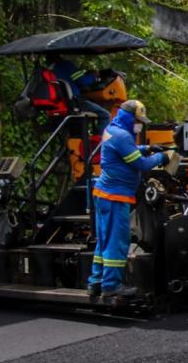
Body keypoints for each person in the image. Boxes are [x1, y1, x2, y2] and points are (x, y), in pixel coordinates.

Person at [88, 100, 176, 300]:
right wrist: (161, 158)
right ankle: (111, 286)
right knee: (117, 242)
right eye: (138, 121)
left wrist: (148, 147)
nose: (139, 125)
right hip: (115, 197)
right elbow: (141, 164)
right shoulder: (122, 136)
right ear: (129, 118)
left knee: (103, 241)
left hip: (105, 195)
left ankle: (96, 283)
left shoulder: (113, 129)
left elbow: (129, 152)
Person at [47, 53, 111, 132]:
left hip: (60, 104)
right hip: (75, 103)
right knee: (105, 115)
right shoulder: (66, 65)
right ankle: (99, 142)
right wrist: (94, 76)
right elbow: (82, 81)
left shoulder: (48, 70)